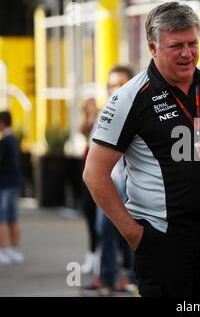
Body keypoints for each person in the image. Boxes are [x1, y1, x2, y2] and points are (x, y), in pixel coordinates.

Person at [83, 2, 200, 297]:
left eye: (193, 43)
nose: (187, 53)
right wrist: (134, 234)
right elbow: (94, 174)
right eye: (176, 46)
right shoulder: (129, 98)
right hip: (165, 245)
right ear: (152, 47)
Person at [81, 65, 137, 296]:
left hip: (129, 184)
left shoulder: (136, 112)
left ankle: (132, 278)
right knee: (104, 231)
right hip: (107, 182)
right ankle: (106, 278)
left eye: (121, 83)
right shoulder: (106, 112)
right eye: (112, 85)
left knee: (131, 232)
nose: (116, 89)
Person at [0, 111, 24, 265]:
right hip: (15, 183)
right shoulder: (15, 140)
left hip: (4, 184)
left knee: (1, 218)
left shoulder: (4, 142)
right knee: (13, 217)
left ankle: (4, 250)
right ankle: (14, 250)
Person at [79, 97, 100, 274]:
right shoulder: (92, 121)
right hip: (90, 174)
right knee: (91, 216)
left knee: (102, 225)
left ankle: (99, 259)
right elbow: (84, 132)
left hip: (105, 177)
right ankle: (93, 256)